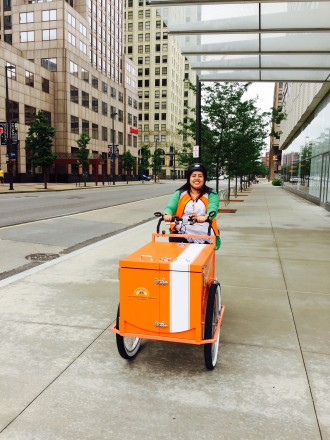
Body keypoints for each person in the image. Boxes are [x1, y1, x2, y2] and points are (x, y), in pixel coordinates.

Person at [163, 163, 221, 249]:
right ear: (189, 178)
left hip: (203, 233)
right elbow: (170, 207)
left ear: (204, 178)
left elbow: (213, 208)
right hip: (181, 232)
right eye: (193, 176)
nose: (197, 178)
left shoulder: (211, 194)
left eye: (200, 176)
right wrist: (167, 214)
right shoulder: (179, 193)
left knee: (200, 260)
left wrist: (207, 216)